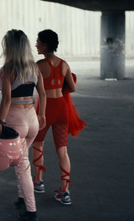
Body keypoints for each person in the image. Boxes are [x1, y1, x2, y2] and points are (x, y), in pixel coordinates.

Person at [0, 29, 46, 221]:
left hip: (15, 121)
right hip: (32, 119)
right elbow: (43, 94)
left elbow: (6, 100)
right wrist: (42, 115)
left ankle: (31, 211)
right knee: (21, 159)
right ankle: (22, 198)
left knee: (22, 164)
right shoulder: (33, 67)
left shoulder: (8, 69)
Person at [32, 29, 85, 206]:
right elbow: (72, 87)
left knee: (38, 144)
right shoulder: (64, 64)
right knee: (62, 150)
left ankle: (38, 182)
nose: (36, 44)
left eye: (38, 42)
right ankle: (65, 191)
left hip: (45, 109)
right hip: (62, 108)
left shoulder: (39, 65)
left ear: (45, 45)